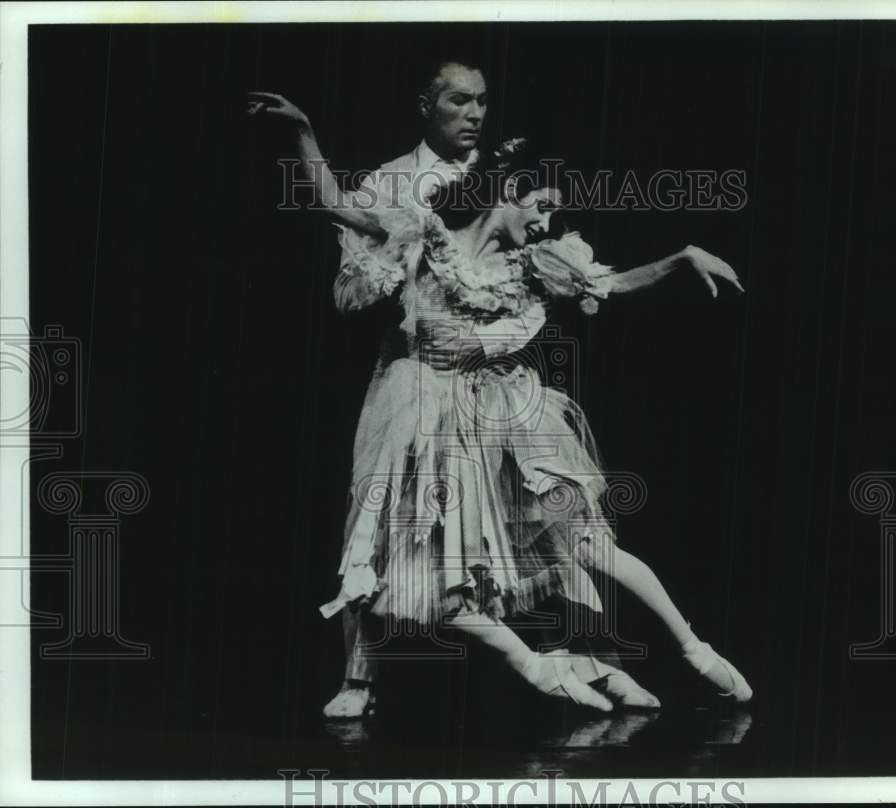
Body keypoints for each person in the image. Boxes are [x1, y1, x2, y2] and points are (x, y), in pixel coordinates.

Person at [247, 92, 752, 720]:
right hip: (426, 403)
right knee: (393, 535)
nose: (546, 223)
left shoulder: (537, 260)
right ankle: (366, 677)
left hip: (507, 410)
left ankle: (682, 652)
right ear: (508, 190)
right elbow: (337, 204)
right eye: (540, 206)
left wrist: (681, 258)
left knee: (576, 542)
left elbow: (609, 284)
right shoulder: (426, 232)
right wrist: (304, 133)